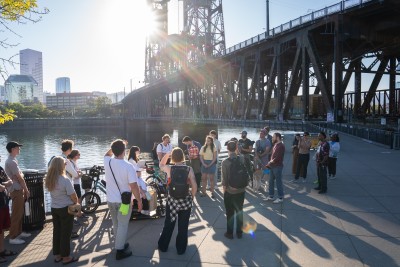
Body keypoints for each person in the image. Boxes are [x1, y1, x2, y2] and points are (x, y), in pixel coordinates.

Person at [104, 139, 142, 260]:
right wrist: (139, 200)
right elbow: (134, 186)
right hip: (124, 203)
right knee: (123, 224)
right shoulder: (128, 166)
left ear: (113, 151)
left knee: (116, 223)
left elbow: (107, 154)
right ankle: (119, 250)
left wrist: (116, 146)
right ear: (124, 151)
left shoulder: (108, 162)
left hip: (110, 200)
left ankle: (119, 243)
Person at [158, 147, 197, 255]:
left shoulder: (169, 168)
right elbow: (194, 186)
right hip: (185, 201)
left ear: (173, 158)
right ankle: (180, 249)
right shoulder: (189, 169)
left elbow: (160, 165)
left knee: (169, 224)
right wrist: (191, 197)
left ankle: (163, 246)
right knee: (183, 226)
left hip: (172, 201)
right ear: (183, 157)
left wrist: (167, 154)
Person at [45, 156, 79, 264]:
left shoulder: (50, 179)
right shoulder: (65, 180)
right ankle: (66, 257)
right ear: (60, 166)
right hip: (65, 209)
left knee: (57, 231)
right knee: (66, 233)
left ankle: (58, 255)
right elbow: (73, 196)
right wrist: (76, 202)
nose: (66, 165)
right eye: (64, 164)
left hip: (54, 208)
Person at [4, 141, 31, 245]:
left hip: (17, 189)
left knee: (19, 212)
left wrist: (20, 175)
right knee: (16, 213)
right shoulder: (11, 162)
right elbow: (20, 177)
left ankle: (18, 232)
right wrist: (26, 190)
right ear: (12, 149)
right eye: (17, 147)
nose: (19, 149)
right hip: (16, 190)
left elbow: (20, 175)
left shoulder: (13, 160)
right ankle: (13, 236)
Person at [221, 140, 246, 239]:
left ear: (227, 148)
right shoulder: (242, 158)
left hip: (230, 191)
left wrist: (225, 190)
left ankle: (230, 233)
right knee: (239, 211)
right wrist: (237, 151)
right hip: (241, 190)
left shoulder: (225, 162)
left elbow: (224, 179)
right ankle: (239, 233)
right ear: (236, 148)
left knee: (230, 213)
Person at [0, 158, 16, 263]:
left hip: (3, 202)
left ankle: (2, 251)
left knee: (1, 230)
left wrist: (4, 184)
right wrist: (4, 184)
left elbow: (10, 181)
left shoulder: (0, 168)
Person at [127, 146, 150, 215]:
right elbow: (135, 173)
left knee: (127, 200)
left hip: (132, 184)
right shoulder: (131, 161)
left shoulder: (131, 161)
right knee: (142, 196)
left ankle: (126, 213)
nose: (139, 152)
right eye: (138, 151)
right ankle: (142, 211)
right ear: (134, 152)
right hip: (134, 183)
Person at [265, 133, 285, 204]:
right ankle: (271, 196)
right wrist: (270, 163)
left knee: (278, 182)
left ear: (278, 137)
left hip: (277, 166)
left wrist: (269, 163)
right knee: (270, 181)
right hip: (272, 166)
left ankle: (280, 197)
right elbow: (273, 156)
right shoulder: (275, 145)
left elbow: (278, 157)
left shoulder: (281, 146)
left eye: (273, 137)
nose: (272, 138)